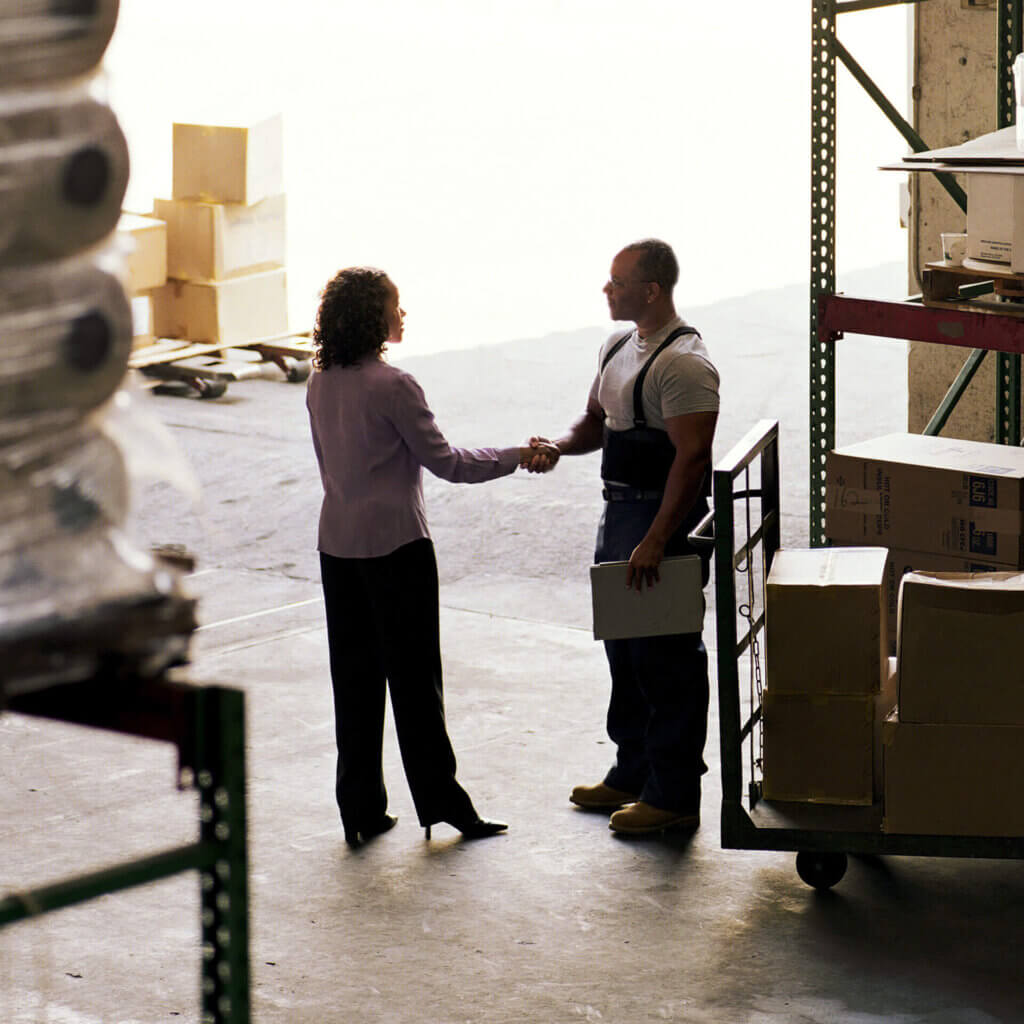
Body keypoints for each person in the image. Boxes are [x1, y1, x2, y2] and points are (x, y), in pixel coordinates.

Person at [307, 266, 554, 847]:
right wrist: (519, 454)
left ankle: (360, 806)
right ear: (374, 316)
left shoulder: (319, 382)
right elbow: (449, 463)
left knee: (355, 682)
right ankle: (443, 803)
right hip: (397, 548)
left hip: (337, 546)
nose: (403, 313)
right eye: (395, 304)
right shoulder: (394, 385)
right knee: (416, 684)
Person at [528, 239, 719, 836]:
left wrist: (661, 538)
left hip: (658, 521)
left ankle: (674, 793)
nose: (606, 290)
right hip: (618, 517)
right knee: (624, 654)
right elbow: (596, 422)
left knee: (665, 661)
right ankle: (632, 770)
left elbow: (691, 462)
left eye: (617, 281)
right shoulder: (617, 345)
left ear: (652, 290)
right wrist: (559, 445)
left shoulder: (684, 364)